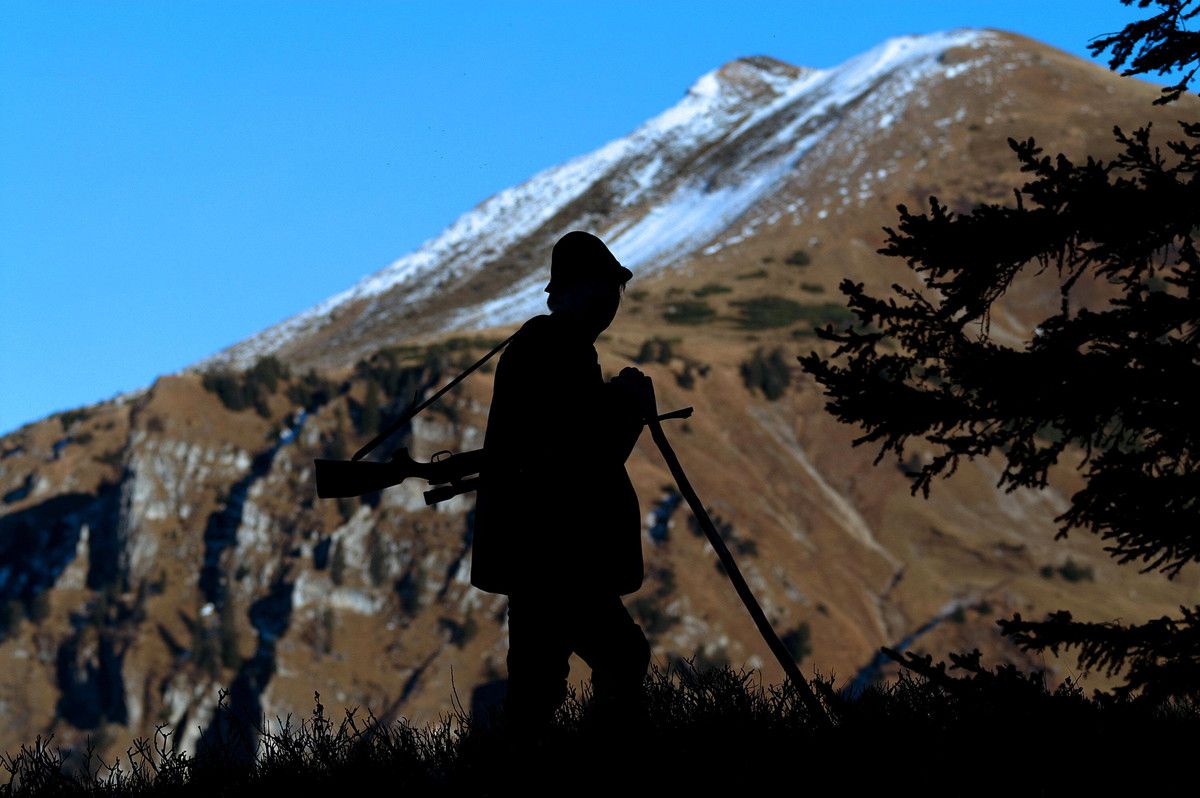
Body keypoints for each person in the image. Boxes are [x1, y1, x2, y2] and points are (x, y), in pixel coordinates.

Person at [471, 230, 655, 734]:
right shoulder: (559, 349)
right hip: (558, 554)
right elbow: (584, 457)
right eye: (598, 288)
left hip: (537, 554)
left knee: (535, 688)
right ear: (567, 293)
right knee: (621, 658)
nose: (607, 302)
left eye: (611, 290)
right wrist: (627, 405)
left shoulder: (547, 346)